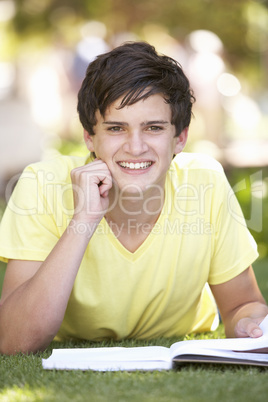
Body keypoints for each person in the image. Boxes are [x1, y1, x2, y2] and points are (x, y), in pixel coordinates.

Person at [0, 42, 267, 355]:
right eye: (116, 128)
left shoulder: (205, 180)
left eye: (153, 127)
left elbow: (242, 304)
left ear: (179, 137)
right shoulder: (41, 183)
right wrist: (83, 220)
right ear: (89, 136)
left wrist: (252, 327)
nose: (136, 147)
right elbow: (14, 341)